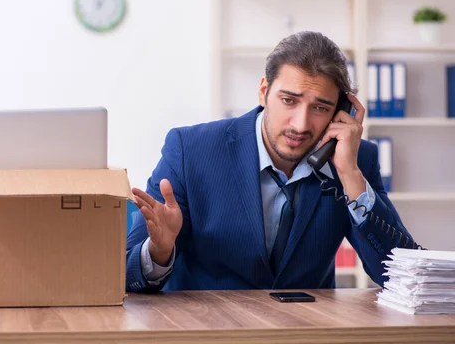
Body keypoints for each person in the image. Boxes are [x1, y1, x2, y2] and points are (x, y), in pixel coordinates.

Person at [126, 31, 418, 293]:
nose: (300, 125)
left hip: (306, 332)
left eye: (320, 107)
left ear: (340, 111)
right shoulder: (190, 149)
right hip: (210, 332)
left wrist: (349, 175)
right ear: (264, 91)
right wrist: (158, 252)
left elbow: (403, 279)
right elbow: (126, 272)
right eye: (289, 101)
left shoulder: (355, 159)